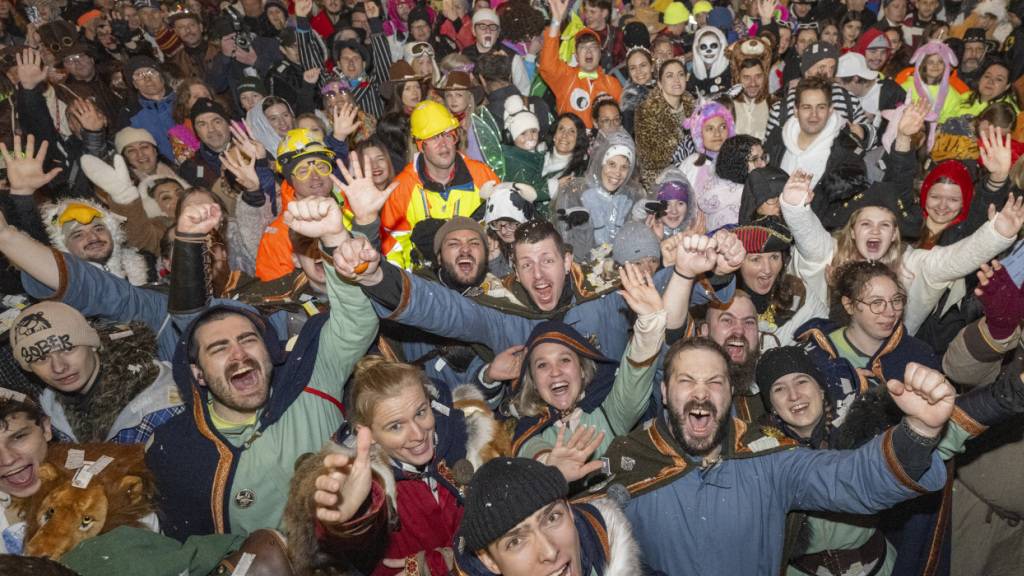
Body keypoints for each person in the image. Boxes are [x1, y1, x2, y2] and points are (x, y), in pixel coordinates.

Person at [595, 336, 953, 575]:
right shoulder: (630, 463)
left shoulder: (766, 456)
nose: (701, 395)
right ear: (664, 390)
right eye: (687, 381)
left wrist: (918, 433)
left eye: (715, 382)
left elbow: (851, 477)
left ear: (731, 395)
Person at [146, 194, 378, 540]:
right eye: (219, 348)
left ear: (270, 349)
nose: (239, 354)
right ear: (197, 374)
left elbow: (356, 322)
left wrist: (333, 240)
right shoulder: (178, 448)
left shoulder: (311, 379)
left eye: (248, 339)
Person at [9, 302, 183, 444]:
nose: (59, 367)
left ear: (92, 344)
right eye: (41, 358)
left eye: (68, 349)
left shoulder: (161, 409)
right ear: (29, 368)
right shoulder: (49, 406)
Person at [453, 457, 641, 575]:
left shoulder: (615, 554)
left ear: (569, 510)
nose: (550, 552)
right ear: (490, 561)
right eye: (516, 541)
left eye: (552, 518)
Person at [379, 100, 498, 268]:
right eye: (434, 137)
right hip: (425, 281)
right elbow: (393, 245)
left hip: (476, 273)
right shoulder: (402, 188)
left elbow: (501, 226)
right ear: (420, 145)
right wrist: (410, 284)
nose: (443, 144)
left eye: (448, 134)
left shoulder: (481, 175)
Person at [539, 0, 623, 128]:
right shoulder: (565, 77)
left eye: (593, 47)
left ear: (600, 54)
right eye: (583, 47)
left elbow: (619, 122)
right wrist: (556, 20)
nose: (588, 51)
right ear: (576, 56)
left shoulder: (613, 84)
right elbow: (547, 64)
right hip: (571, 143)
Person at [634, 58, 695, 189]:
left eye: (680, 74)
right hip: (659, 180)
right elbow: (653, 159)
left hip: (691, 174)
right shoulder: (647, 111)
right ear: (660, 83)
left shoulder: (694, 107)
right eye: (669, 76)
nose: (676, 80)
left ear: (686, 78)